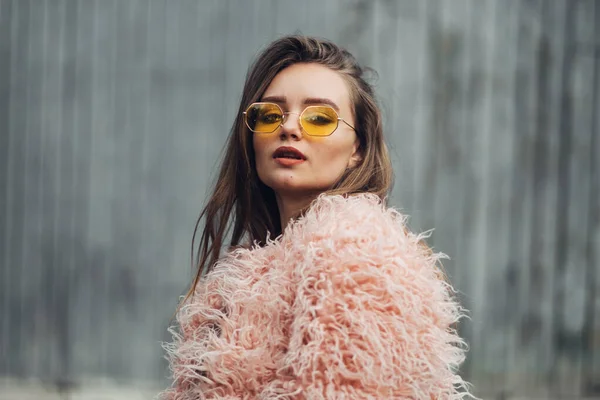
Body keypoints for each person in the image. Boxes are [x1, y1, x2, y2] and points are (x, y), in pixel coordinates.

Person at [159, 35, 472, 399]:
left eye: (320, 117)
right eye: (269, 114)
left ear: (358, 148)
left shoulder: (355, 255)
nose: (289, 127)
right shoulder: (249, 276)